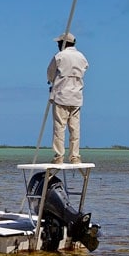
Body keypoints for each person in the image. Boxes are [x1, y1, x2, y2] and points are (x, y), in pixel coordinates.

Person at [47, 32, 89, 164]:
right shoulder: (81, 57)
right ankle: (75, 156)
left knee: (60, 127)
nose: (58, 45)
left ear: (63, 43)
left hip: (61, 97)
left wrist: (52, 82)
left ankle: (59, 156)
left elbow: (50, 73)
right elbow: (85, 68)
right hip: (76, 97)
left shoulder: (60, 56)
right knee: (74, 128)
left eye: (59, 43)